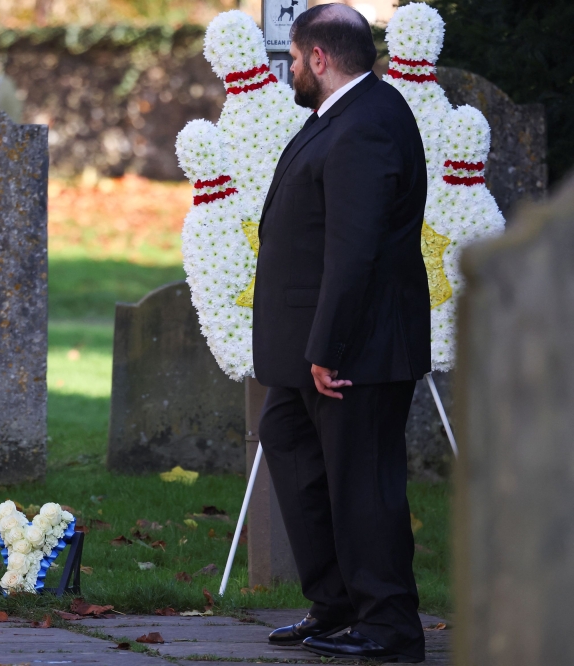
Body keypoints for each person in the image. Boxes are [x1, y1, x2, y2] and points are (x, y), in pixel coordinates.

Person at [252, 4, 430, 663]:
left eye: (294, 60)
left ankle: (388, 623)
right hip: (313, 350)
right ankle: (336, 606)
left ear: (319, 59)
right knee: (291, 447)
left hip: (357, 349)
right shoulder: (340, 116)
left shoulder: (369, 124)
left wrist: (328, 348)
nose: (291, 71)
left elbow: (354, 250)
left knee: (364, 481)